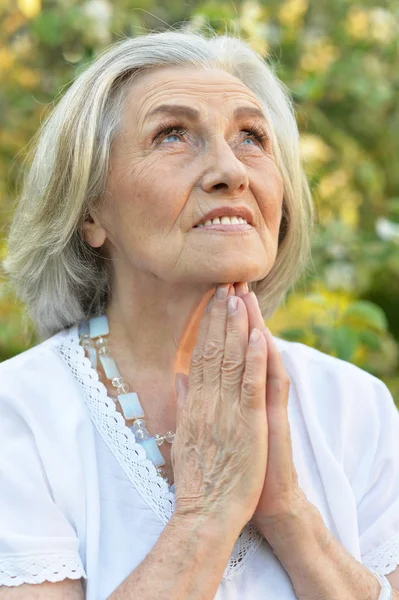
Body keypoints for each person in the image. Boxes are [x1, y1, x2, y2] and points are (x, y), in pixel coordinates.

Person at [0, 30, 398, 600]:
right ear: (90, 211)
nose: (229, 170)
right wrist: (206, 513)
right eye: (172, 135)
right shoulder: (18, 415)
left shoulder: (355, 406)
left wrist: (286, 511)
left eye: (251, 138)